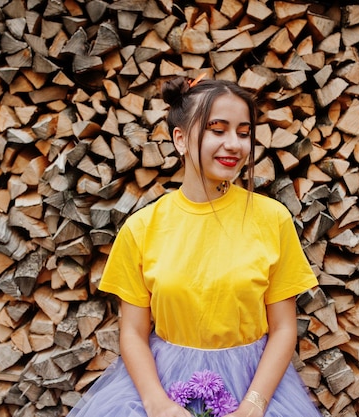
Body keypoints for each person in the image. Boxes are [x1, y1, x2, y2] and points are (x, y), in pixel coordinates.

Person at [67, 76, 322, 417]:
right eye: (218, 130)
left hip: (252, 386)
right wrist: (158, 405)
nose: (234, 144)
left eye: (244, 133)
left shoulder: (271, 219)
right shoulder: (142, 228)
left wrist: (254, 406)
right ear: (181, 138)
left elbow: (283, 327)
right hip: (162, 386)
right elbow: (132, 331)